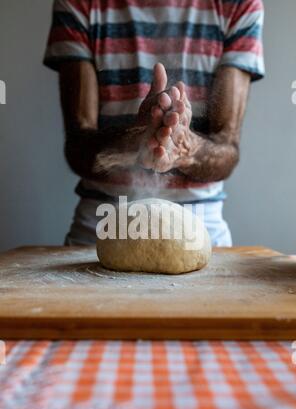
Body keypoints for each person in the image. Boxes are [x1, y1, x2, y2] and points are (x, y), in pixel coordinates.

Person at [44, 0, 265, 247]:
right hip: (103, 228)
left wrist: (184, 148)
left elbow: (227, 150)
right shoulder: (79, 3)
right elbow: (77, 148)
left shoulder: (237, 4)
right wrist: (136, 142)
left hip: (200, 230)